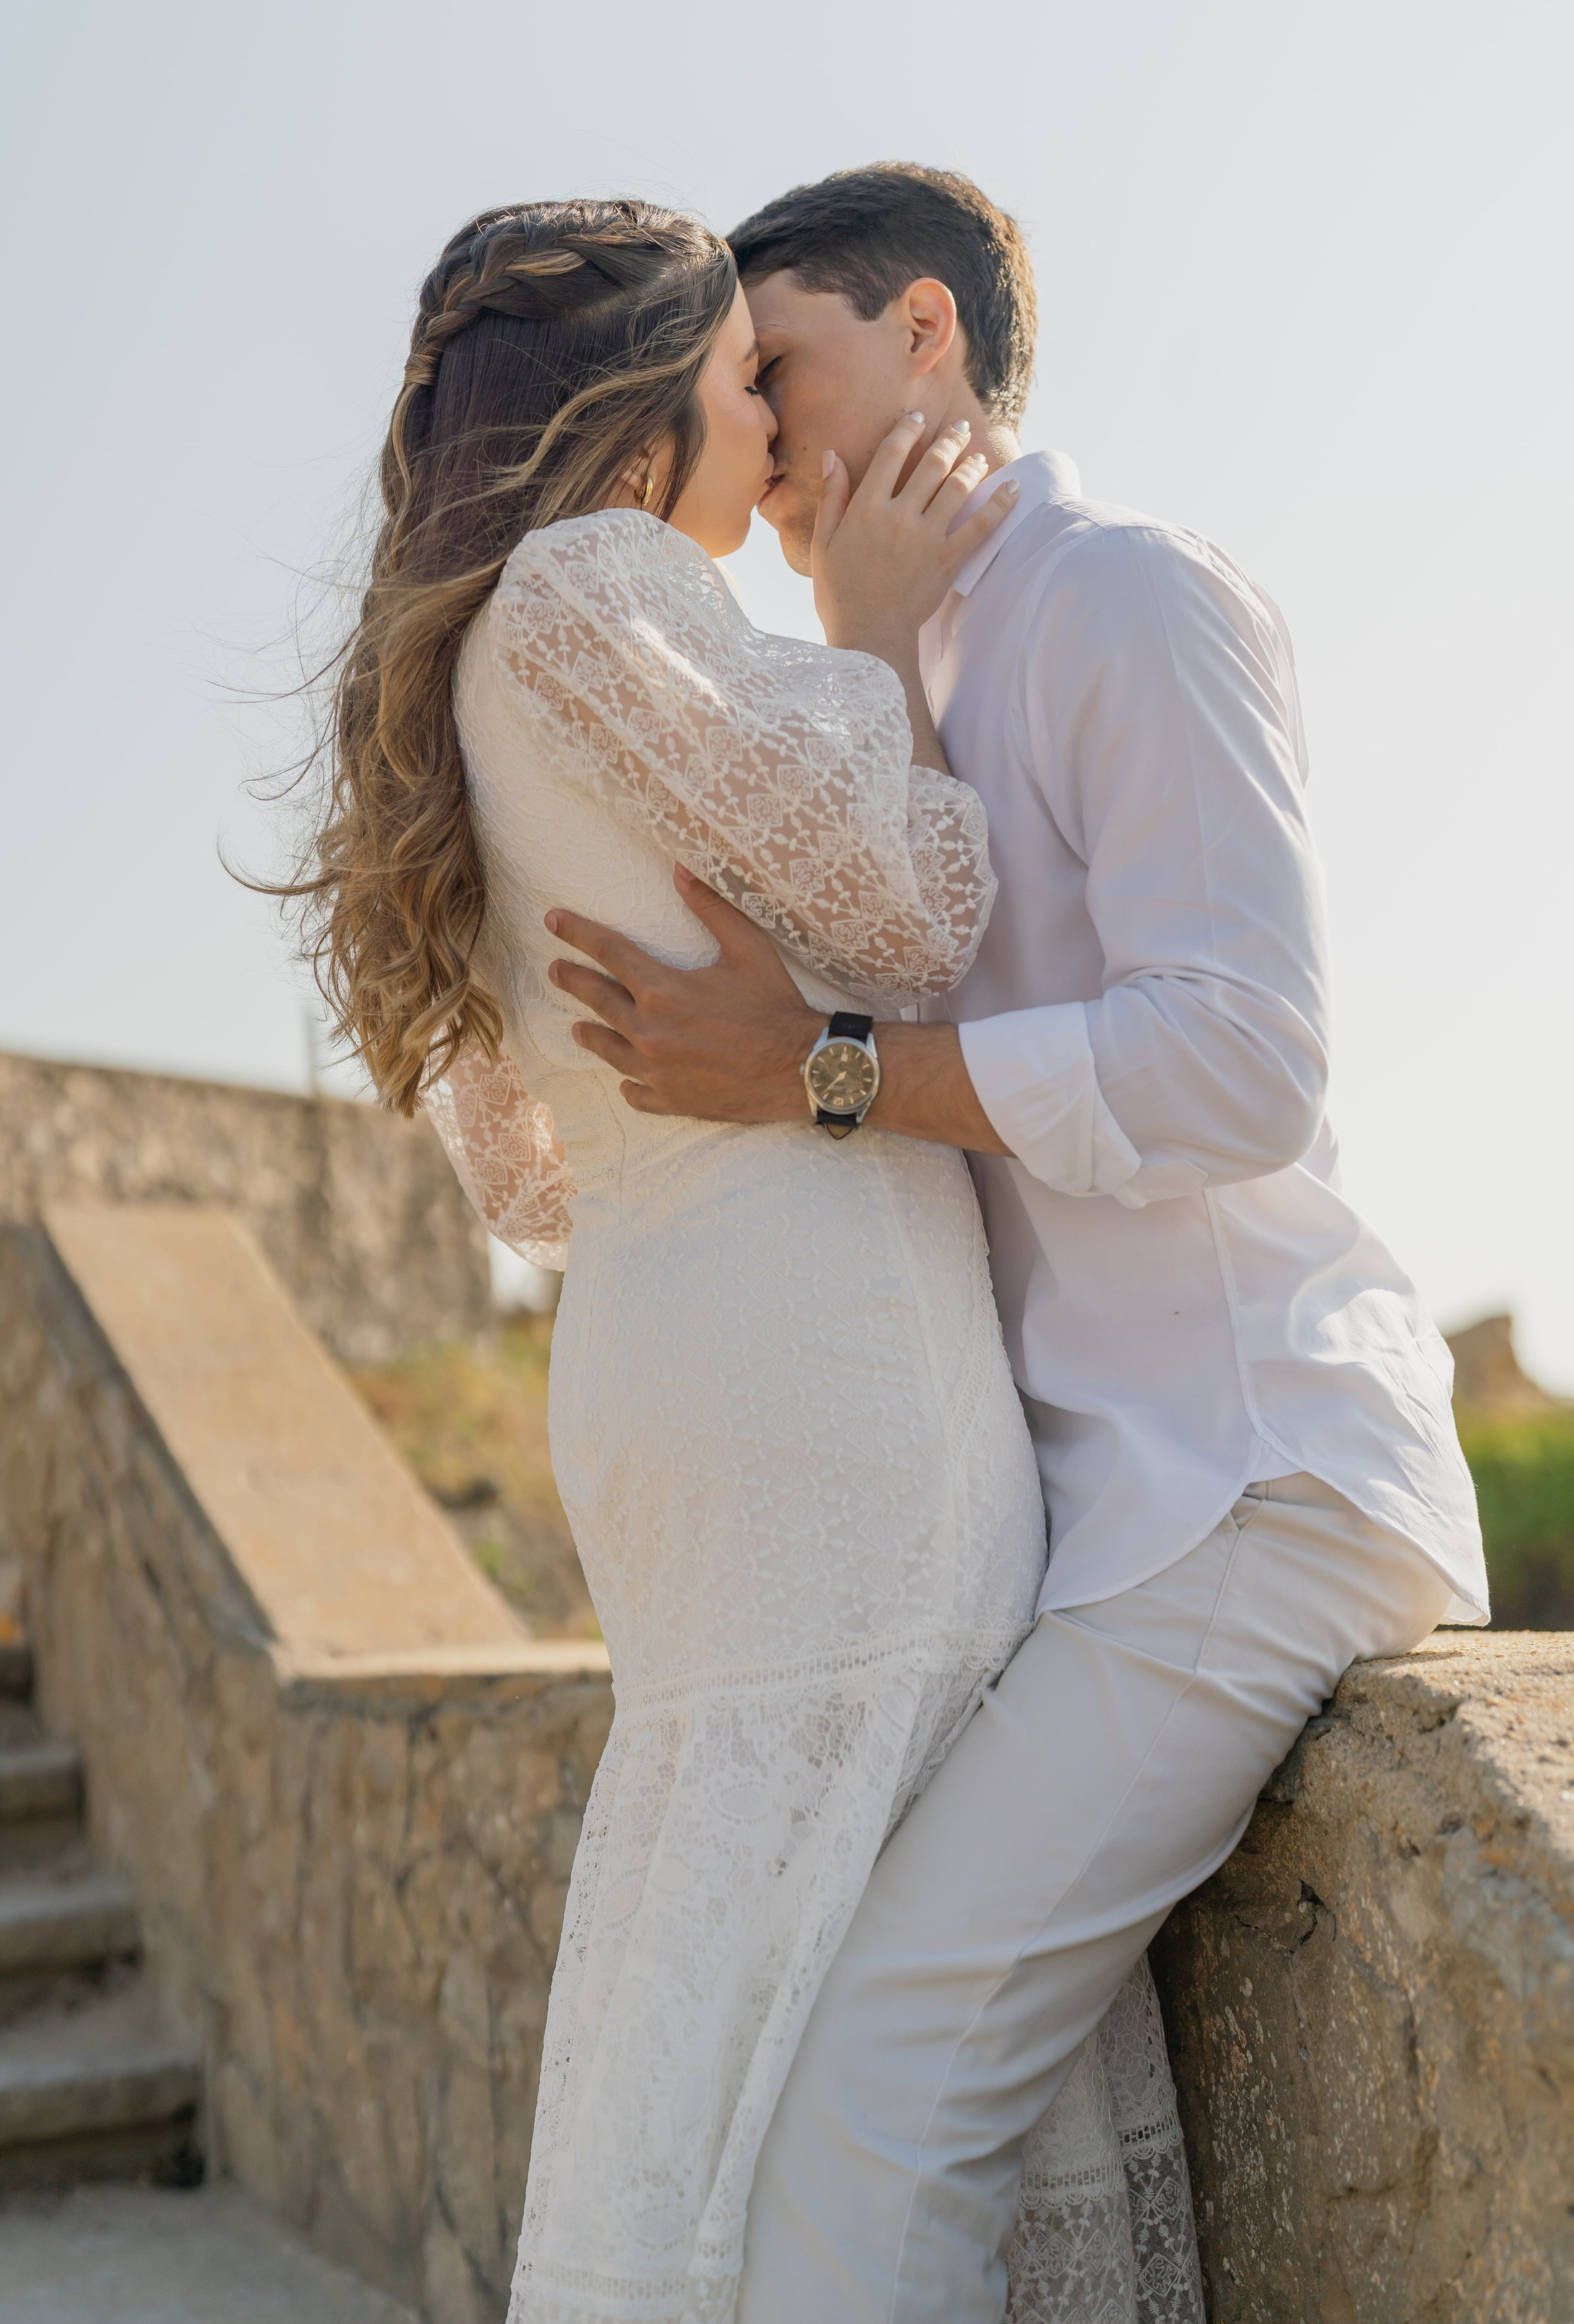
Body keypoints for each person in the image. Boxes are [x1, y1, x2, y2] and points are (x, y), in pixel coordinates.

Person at [542, 162, 1491, 2322]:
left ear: (928, 334)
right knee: (819, 2094)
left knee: (872, 2125)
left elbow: (1242, 1061)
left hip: (1249, 1477)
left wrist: (822, 1066)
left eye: (780, 362)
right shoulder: (876, 671)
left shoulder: (1122, 596)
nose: (755, 430)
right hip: (1092, 1532)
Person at [298, 196, 1202, 2324]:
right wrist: (874, 643)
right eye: (739, 381)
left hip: (654, 1355)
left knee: (737, 1944)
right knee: (891, 1963)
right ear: (640, 411)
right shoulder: (603, 583)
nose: (775, 431)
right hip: (827, 1371)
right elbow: (922, 912)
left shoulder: (470, 664)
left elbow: (528, 1184)